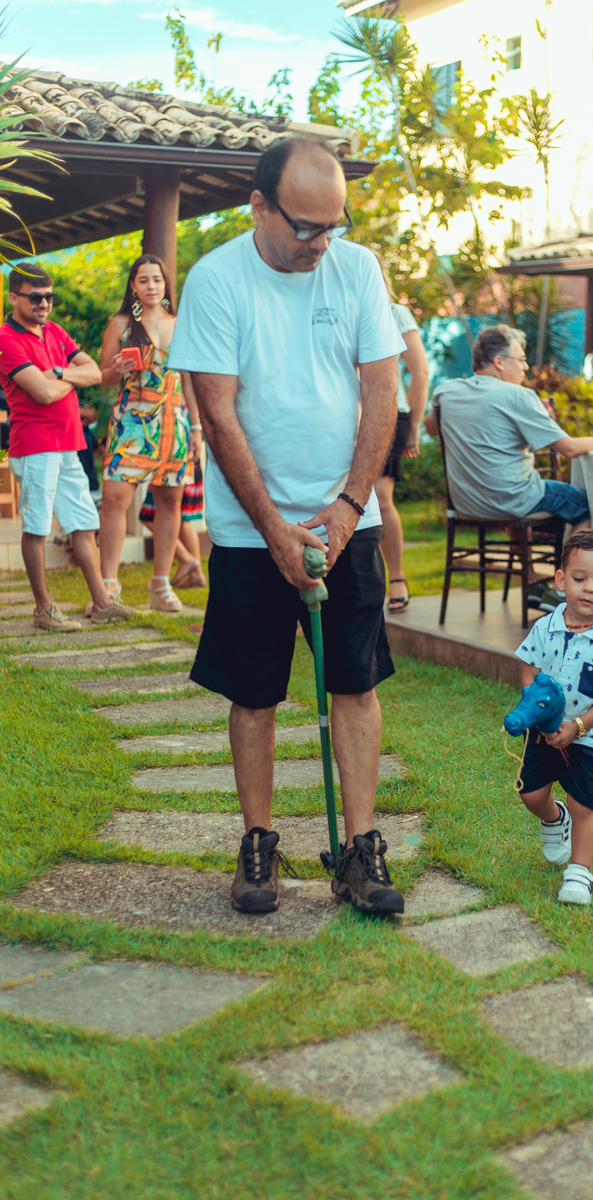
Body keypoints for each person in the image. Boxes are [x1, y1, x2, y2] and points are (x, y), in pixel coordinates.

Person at [169, 136, 406, 917]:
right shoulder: (216, 280)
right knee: (255, 692)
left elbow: (382, 393)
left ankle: (360, 849)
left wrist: (345, 507)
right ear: (260, 206)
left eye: (332, 225)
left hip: (349, 518)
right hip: (247, 530)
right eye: (304, 226)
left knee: (355, 682)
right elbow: (218, 411)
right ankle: (260, 844)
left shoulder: (357, 268)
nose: (320, 243)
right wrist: (271, 526)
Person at [427, 324, 593, 606]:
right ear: (498, 362)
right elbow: (569, 449)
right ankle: (566, 590)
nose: (525, 367)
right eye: (520, 359)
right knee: (585, 503)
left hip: (467, 503)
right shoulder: (517, 396)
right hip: (512, 498)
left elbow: (432, 428)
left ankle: (531, 579)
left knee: (516, 488)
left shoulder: (446, 392)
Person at [0, 262, 136, 631]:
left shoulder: (55, 331)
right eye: (35, 297)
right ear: (14, 297)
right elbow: (41, 394)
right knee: (37, 525)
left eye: (49, 297)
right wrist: (70, 381)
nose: (44, 303)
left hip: (69, 441)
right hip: (35, 445)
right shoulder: (6, 339)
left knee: (82, 522)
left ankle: (102, 602)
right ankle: (44, 609)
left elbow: (95, 372)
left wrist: (60, 374)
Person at [513, 527, 593, 907]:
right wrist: (541, 710)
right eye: (579, 579)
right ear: (561, 580)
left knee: (584, 804)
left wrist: (578, 726)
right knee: (531, 794)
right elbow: (528, 670)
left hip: (592, 737)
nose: (588, 589)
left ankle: (580, 873)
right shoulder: (545, 628)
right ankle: (553, 820)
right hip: (544, 733)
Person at [98, 254, 203, 614]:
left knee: (170, 501)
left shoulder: (182, 323)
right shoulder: (121, 324)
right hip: (131, 419)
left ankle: (160, 584)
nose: (151, 286)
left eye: (156, 279)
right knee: (114, 498)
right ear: (133, 286)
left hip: (174, 419)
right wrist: (115, 368)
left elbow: (190, 378)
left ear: (165, 284)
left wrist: (197, 427)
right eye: (143, 280)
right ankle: (107, 585)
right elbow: (104, 378)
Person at [372, 257, 429, 614]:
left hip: (392, 414)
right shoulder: (338, 310)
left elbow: (419, 372)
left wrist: (414, 429)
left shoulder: (395, 313)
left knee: (379, 496)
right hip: (345, 417)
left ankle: (396, 576)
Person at [138, 460, 207, 589]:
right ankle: (196, 573)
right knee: (182, 522)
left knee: (150, 517)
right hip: (189, 466)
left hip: (174, 467)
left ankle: (186, 559)